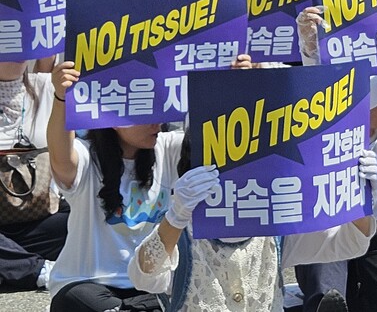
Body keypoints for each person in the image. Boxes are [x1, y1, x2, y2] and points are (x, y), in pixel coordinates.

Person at [45, 56, 253, 311]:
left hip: (150, 285)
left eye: (159, 110)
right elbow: (60, 156)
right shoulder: (87, 155)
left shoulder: (167, 147)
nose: (157, 122)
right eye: (145, 112)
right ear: (113, 116)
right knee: (74, 300)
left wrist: (235, 84)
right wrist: (62, 97)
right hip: (89, 284)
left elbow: (219, 137)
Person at [126, 135, 376, 312]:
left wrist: (358, 195)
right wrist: (176, 216)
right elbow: (144, 276)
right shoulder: (180, 232)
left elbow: (350, 242)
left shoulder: (273, 228)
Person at [0, 61, 66, 290]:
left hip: (37, 218)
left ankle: (13, 263)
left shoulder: (48, 86)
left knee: (86, 218)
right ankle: (37, 270)